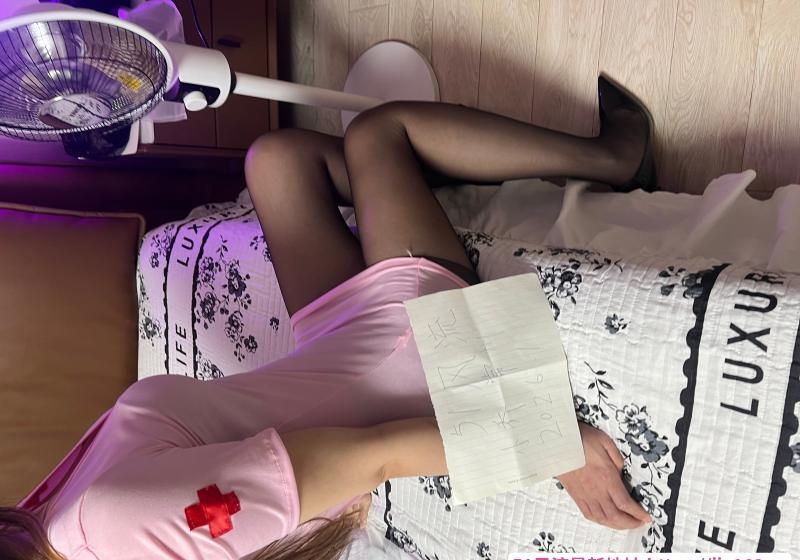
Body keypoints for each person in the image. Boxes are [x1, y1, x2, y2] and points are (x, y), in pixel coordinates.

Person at [1, 75, 654, 560]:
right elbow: (373, 457)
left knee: (278, 161)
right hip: (413, 365)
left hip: (330, 356)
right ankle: (614, 160)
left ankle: (425, 183)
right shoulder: (111, 527)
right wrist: (550, 444)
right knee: (380, 134)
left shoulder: (39, 518)